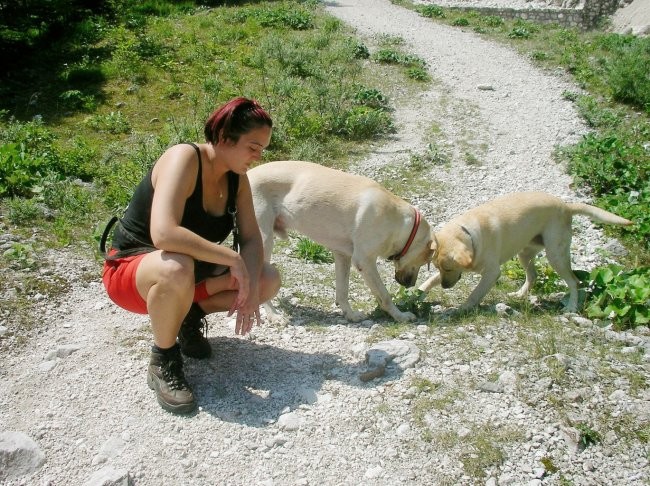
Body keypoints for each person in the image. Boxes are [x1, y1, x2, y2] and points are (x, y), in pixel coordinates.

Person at [101, 97, 281, 414]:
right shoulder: (183, 158)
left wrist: (250, 285)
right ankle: (163, 360)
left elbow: (252, 239)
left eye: (262, 149)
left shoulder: (237, 179)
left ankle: (187, 317)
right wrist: (231, 258)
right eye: (253, 147)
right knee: (177, 266)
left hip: (186, 274)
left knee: (266, 279)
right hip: (133, 269)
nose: (258, 156)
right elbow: (164, 233)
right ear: (225, 138)